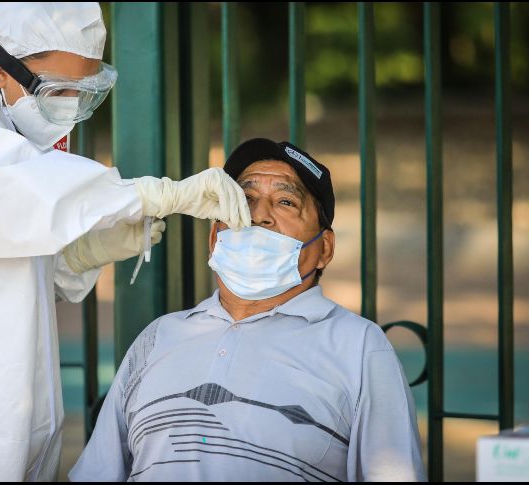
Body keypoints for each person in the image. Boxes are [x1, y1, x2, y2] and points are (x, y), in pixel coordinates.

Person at [0, 3, 250, 482]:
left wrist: (79, 255)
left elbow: (12, 261)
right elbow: (19, 189)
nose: (71, 106)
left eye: (85, 91)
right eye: (59, 90)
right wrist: (151, 193)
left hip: (2, 408)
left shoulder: (18, 121)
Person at [69, 138, 426, 482]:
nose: (258, 215)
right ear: (214, 239)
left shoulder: (359, 346)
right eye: (244, 199)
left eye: (286, 202)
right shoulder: (159, 336)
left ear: (325, 249)